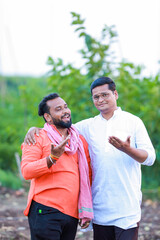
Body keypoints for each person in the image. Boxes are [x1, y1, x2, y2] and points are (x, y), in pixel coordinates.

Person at [24, 77, 156, 240]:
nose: (100, 100)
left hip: (127, 208)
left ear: (115, 94)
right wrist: (34, 129)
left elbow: (150, 158)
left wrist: (128, 149)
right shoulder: (86, 127)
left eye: (105, 95)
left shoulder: (133, 122)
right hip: (100, 210)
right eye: (96, 97)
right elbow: (60, 127)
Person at [21, 93, 93, 240]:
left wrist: (84, 209)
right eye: (58, 109)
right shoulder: (37, 136)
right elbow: (26, 171)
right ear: (48, 117)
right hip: (45, 210)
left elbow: (88, 175)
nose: (65, 111)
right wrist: (51, 159)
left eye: (66, 107)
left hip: (71, 214)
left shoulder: (78, 140)